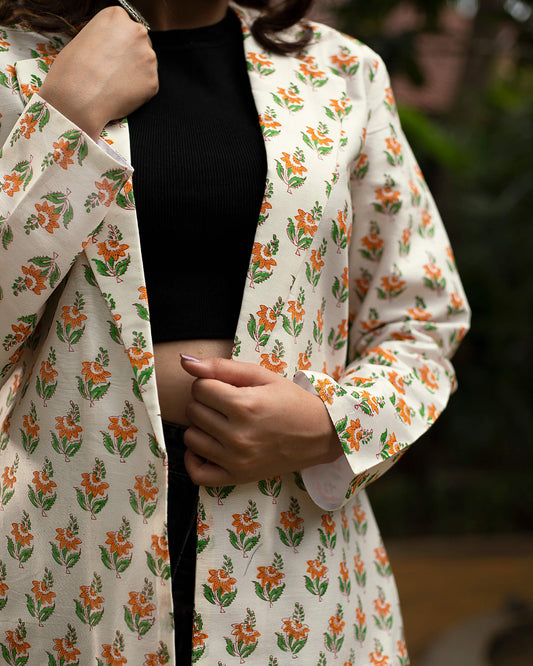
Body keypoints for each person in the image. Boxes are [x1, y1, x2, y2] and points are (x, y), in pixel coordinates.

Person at [0, 0, 470, 663]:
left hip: (293, 568)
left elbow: (421, 321)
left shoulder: (339, 70)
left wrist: (330, 424)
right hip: (58, 558)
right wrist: (65, 120)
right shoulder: (14, 66)